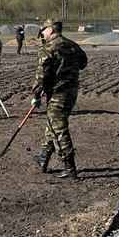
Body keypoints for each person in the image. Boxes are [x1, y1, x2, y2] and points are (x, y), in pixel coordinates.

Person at [30, 18, 87, 180]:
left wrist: (36, 95)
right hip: (71, 92)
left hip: (57, 94)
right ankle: (43, 157)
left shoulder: (48, 48)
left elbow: (41, 76)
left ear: (51, 30)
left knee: (59, 128)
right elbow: (83, 63)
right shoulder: (72, 45)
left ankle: (70, 167)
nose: (42, 33)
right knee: (53, 124)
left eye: (44, 30)